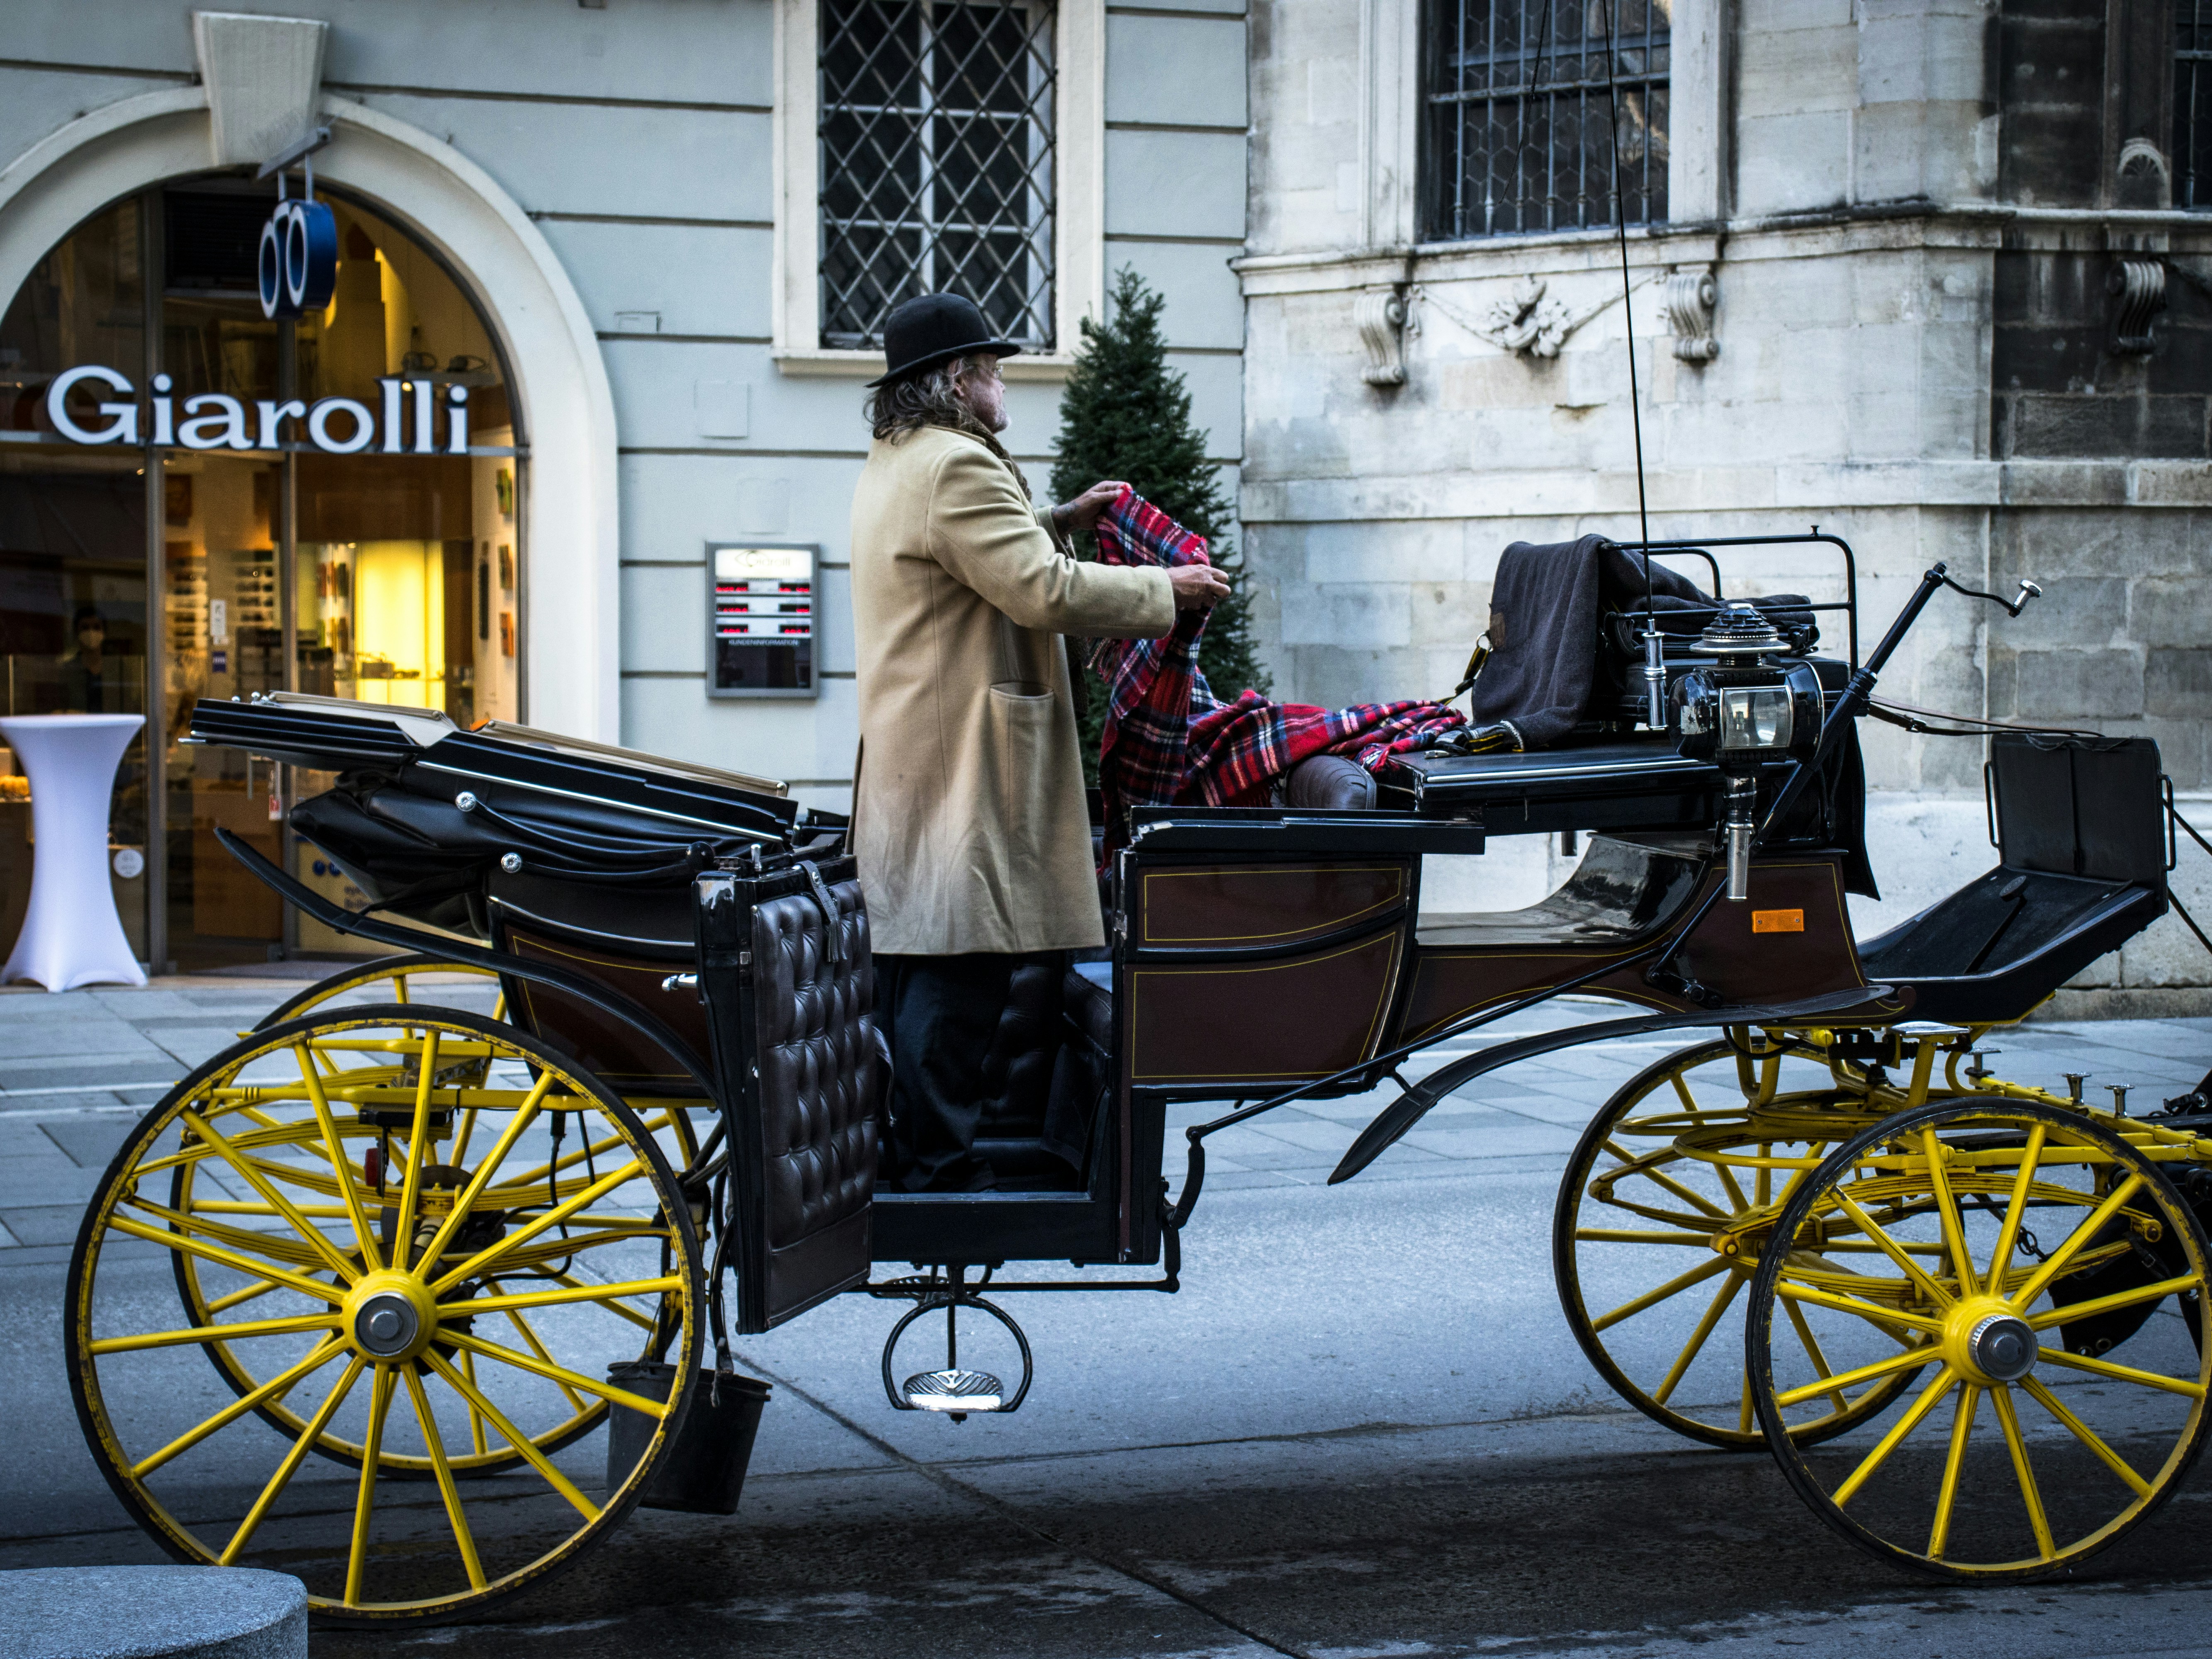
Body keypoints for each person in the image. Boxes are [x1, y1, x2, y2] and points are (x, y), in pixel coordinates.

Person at [849, 293, 1230, 1191]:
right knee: (963, 966)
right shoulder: (955, 465)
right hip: (965, 755)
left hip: (924, 748)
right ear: (958, 381)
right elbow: (1039, 591)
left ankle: (921, 1152)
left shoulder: (905, 458)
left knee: (925, 957)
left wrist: (1060, 517)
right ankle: (938, 1170)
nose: (1002, 385)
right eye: (993, 370)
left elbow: (978, 555)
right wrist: (1165, 590)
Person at [59, 604, 110, 712]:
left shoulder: (116, 667)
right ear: (77, 632)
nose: (91, 633)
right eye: (85, 628)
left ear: (104, 632)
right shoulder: (68, 670)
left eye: (97, 627)